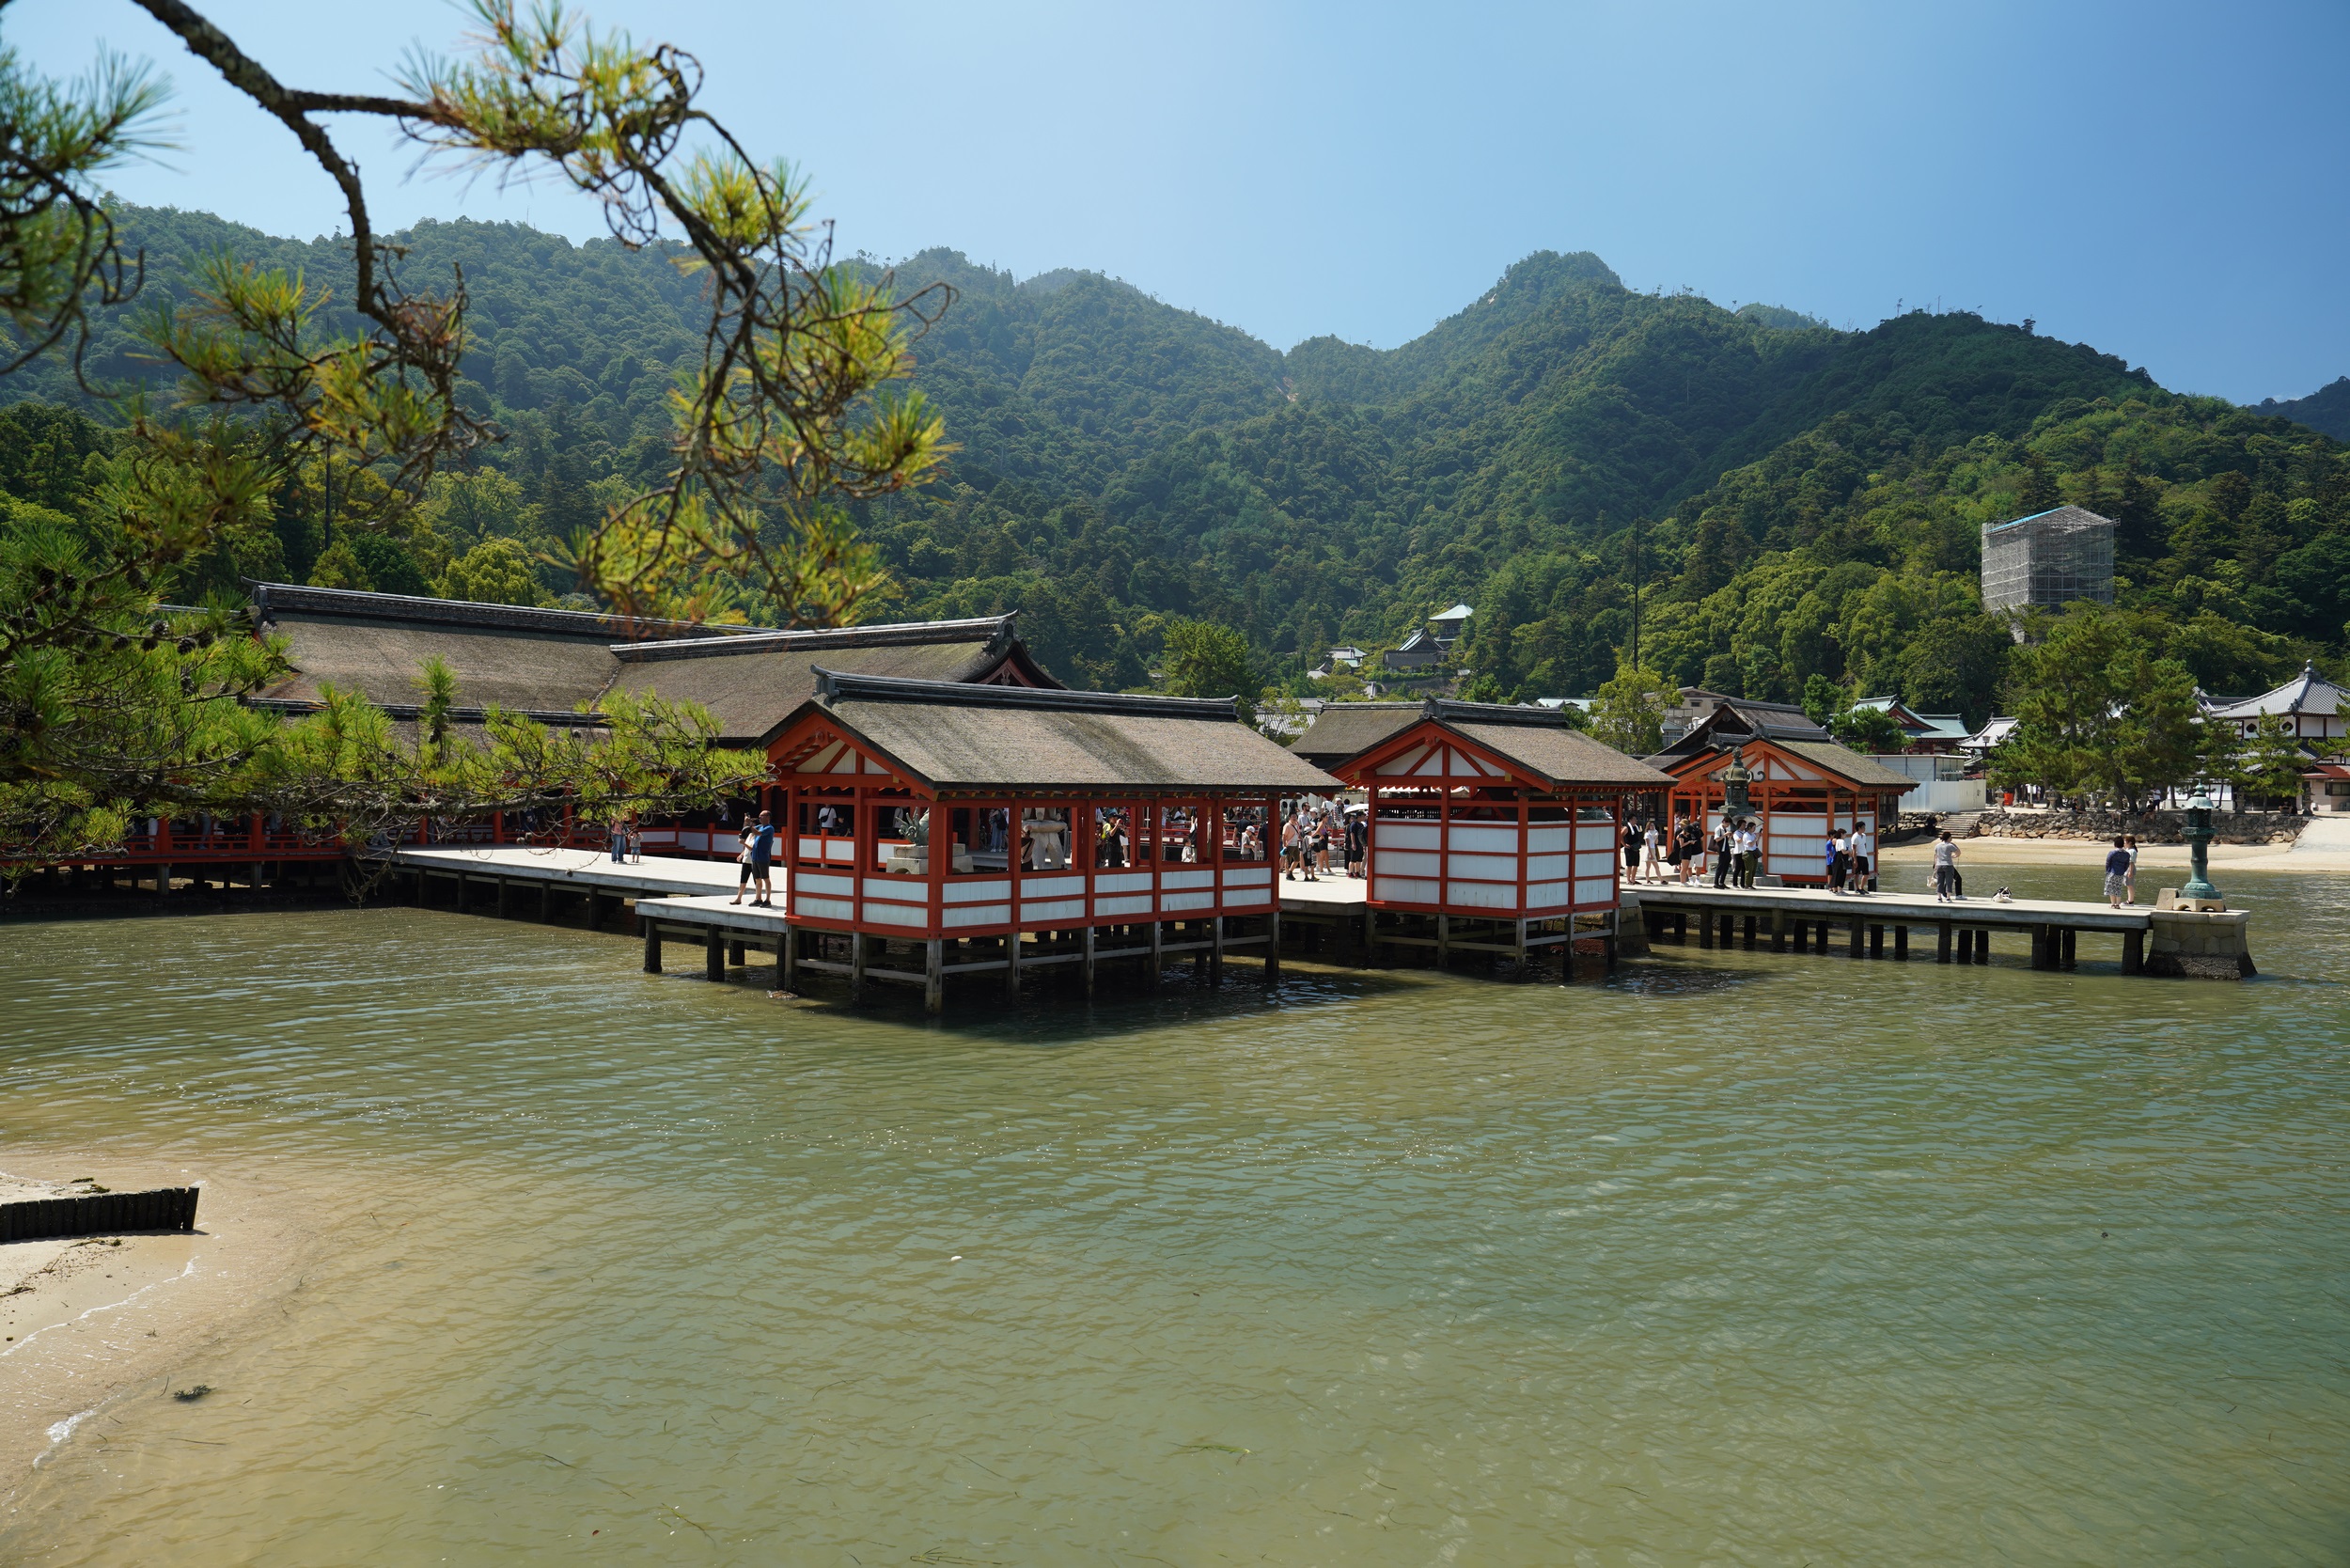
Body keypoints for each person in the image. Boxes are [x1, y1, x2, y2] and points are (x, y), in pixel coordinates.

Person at [745, 809, 777, 907]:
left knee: (766, 878)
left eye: (762, 816)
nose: (759, 817)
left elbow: (758, 833)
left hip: (763, 857)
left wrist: (750, 824)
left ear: (768, 817)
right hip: (755, 856)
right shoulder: (760, 826)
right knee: (757, 879)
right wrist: (747, 822)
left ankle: (768, 900)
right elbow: (749, 830)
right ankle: (758, 898)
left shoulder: (769, 828)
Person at [728, 821, 757, 905]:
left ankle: (758, 898)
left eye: (753, 825)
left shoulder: (758, 837)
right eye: (751, 825)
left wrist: (743, 843)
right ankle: (738, 898)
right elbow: (746, 848)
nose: (751, 827)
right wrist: (741, 855)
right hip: (746, 860)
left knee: (756, 881)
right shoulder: (750, 835)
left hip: (754, 861)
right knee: (743, 880)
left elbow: (753, 849)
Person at [2104, 835, 2133, 908]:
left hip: (2112, 872)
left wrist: (2107, 871)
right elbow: (2127, 864)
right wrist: (2123, 871)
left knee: (2111, 888)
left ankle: (2113, 904)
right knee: (2118, 889)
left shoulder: (2112, 853)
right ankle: (2117, 904)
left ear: (2115, 844)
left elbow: (2108, 862)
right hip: (2120, 874)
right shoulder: (2126, 854)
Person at [1932, 830, 1960, 902]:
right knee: (1949, 882)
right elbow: (1958, 852)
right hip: (1948, 865)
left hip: (1939, 865)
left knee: (1940, 882)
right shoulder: (1950, 845)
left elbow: (1936, 856)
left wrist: (1935, 866)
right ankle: (1948, 898)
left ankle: (1939, 897)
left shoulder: (1937, 845)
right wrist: (1954, 856)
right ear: (1949, 837)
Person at [1851, 821, 1874, 895]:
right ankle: (1857, 888)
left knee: (1866, 873)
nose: (1864, 829)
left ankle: (1862, 887)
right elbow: (1854, 849)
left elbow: (1864, 844)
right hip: (1858, 856)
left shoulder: (1864, 835)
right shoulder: (1855, 837)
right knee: (1857, 873)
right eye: (1863, 827)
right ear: (1859, 828)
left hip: (1864, 855)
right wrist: (1855, 860)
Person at [1825, 827, 1846, 893]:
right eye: (1834, 835)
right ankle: (1830, 886)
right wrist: (1832, 858)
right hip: (1830, 860)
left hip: (1835, 859)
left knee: (1834, 873)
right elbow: (1830, 852)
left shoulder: (1835, 841)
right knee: (1830, 873)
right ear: (1831, 835)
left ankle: (1834, 887)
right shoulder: (1829, 843)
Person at [2122, 833, 2139, 904]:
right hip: (2126, 869)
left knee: (2130, 885)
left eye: (2125, 841)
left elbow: (2131, 862)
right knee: (2128, 885)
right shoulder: (2128, 849)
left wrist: (2130, 872)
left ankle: (2130, 900)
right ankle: (2129, 900)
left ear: (2130, 842)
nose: (2124, 843)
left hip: (2129, 869)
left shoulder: (2132, 851)